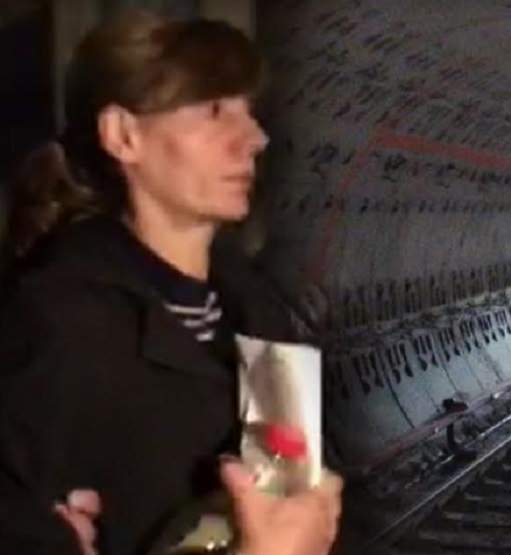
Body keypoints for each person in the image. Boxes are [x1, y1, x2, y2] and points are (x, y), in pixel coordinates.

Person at [0, 10, 341, 555]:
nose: (255, 138)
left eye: (248, 111)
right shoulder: (58, 324)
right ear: (123, 136)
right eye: (214, 111)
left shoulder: (258, 308)